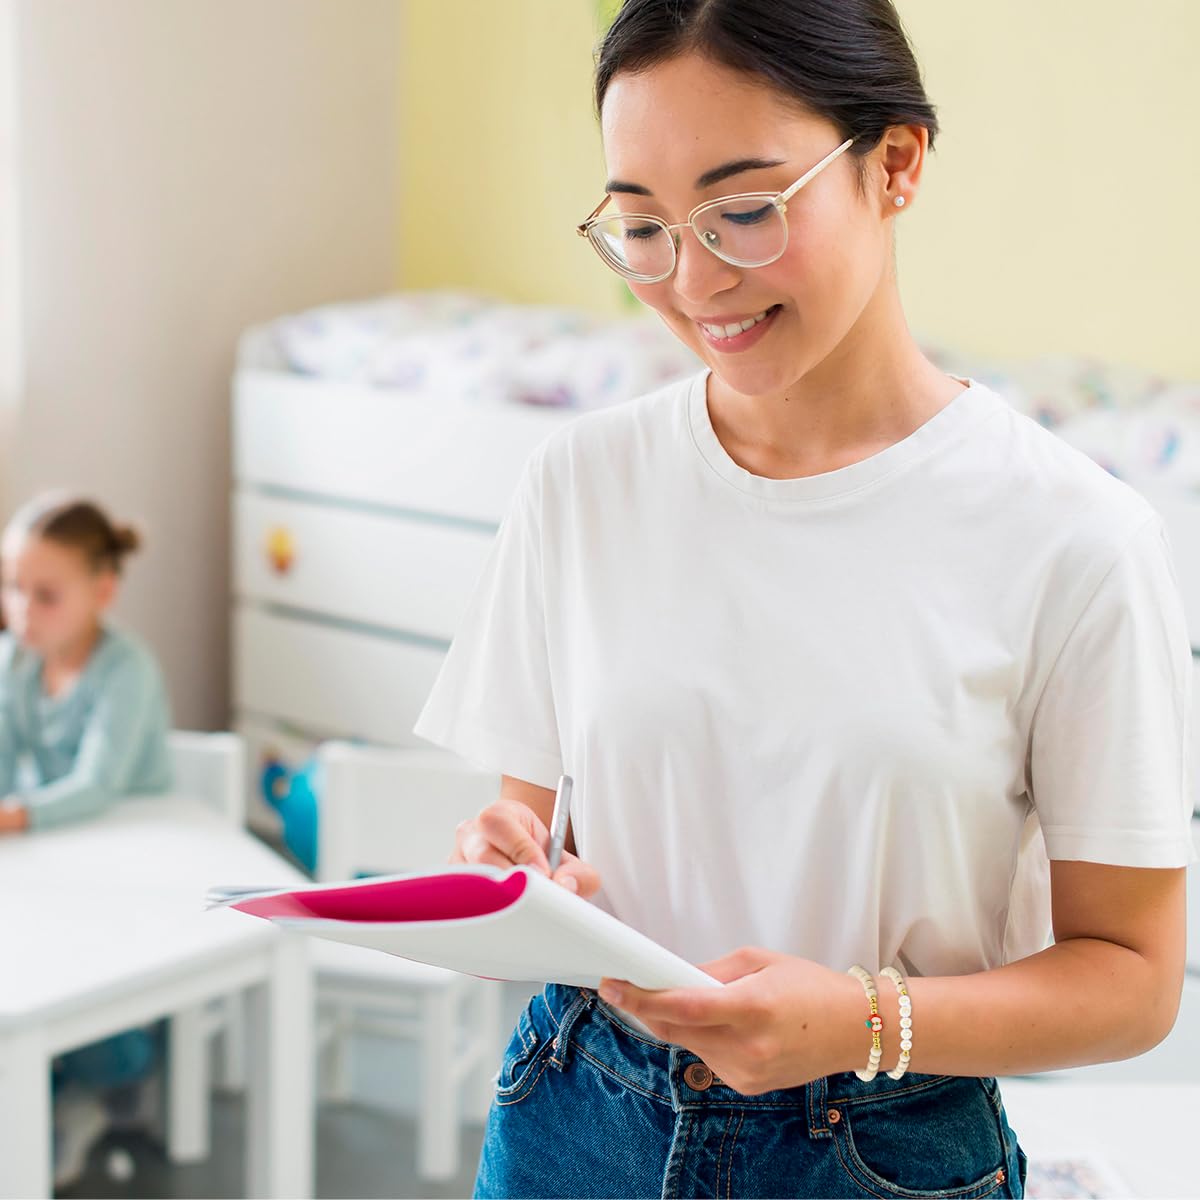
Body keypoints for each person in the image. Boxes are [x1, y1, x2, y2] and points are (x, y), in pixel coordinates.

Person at [412, 2, 1197, 1196]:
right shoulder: (581, 484)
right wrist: (513, 869)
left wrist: (862, 1023)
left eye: (743, 210)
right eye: (642, 228)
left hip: (878, 1150)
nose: (695, 281)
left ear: (896, 163)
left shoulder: (1074, 539)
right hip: (575, 1111)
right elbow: (541, 840)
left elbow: (1133, 980)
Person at [0, 492, 173, 1187]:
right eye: (13, 587)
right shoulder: (15, 663)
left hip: (134, 873)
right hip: (60, 861)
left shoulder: (126, 670)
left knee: (91, 998)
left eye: (45, 595)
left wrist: (13, 815)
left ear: (102, 591)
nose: (22, 609)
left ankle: (110, 1075)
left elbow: (98, 786)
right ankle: (47, 1074)